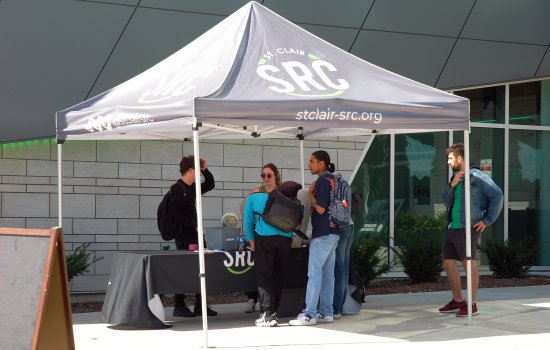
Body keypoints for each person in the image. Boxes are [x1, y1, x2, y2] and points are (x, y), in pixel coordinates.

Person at [439, 143, 503, 317]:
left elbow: (497, 195)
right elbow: (446, 202)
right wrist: (452, 185)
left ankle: (471, 304)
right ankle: (458, 301)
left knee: (469, 264)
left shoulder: (478, 177)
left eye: (450, 158)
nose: (448, 162)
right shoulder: (456, 178)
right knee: (448, 263)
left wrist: (487, 220)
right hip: (453, 226)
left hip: (469, 226)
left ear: (460, 158)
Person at [290, 150, 340, 326]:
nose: (309, 164)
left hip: (322, 233)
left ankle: (309, 314)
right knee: (328, 276)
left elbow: (320, 209)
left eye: (312, 161)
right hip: (334, 233)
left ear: (321, 163)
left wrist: (311, 193)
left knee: (314, 274)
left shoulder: (322, 181)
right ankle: (327, 312)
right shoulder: (334, 180)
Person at [243, 181, 303, 327]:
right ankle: (273, 312)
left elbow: (248, 223)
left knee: (264, 276)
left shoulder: (254, 198)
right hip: (285, 241)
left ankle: (268, 315)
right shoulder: (295, 205)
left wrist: (252, 245)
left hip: (265, 239)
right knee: (278, 277)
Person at [170, 155, 218, 318]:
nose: (200, 174)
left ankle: (200, 305)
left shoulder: (193, 187)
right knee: (183, 271)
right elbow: (173, 214)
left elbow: (210, 184)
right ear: (191, 170)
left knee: (201, 269)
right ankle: (179, 306)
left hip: (196, 236)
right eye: (198, 170)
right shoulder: (178, 189)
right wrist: (194, 224)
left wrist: (205, 169)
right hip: (184, 237)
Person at [240, 163, 281, 313]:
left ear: (275, 175)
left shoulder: (281, 191)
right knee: (263, 273)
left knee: (274, 275)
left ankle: (272, 310)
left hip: (279, 238)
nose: (265, 178)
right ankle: (255, 301)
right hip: (262, 237)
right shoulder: (257, 192)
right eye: (263, 175)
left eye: (268, 175)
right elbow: (243, 207)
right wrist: (253, 223)